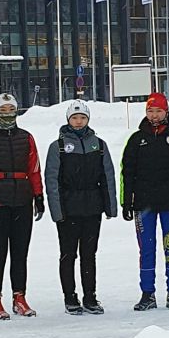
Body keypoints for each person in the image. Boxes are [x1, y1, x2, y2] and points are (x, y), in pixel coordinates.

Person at [120, 92, 169, 312]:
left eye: (158, 111)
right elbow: (127, 172)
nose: (154, 115)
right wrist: (126, 202)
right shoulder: (136, 139)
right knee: (147, 249)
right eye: (150, 111)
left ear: (166, 112)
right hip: (144, 204)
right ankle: (147, 293)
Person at [44, 100, 117, 315]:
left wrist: (110, 206)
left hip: (92, 209)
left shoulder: (99, 145)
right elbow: (52, 180)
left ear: (88, 119)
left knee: (89, 255)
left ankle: (90, 296)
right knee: (68, 255)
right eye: (74, 118)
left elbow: (108, 177)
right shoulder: (57, 146)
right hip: (68, 210)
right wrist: (57, 211)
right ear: (68, 120)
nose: (78, 121)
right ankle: (70, 296)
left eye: (82, 117)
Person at [0, 93, 45, 320]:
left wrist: (38, 195)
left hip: (22, 201)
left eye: (11, 109)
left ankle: (20, 296)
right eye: (3, 110)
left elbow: (34, 167)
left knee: (20, 253)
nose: (7, 114)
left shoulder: (26, 138)